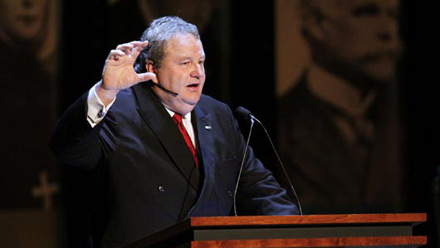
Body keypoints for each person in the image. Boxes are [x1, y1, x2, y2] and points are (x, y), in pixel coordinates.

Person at [51, 16, 299, 248]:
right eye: (185, 63)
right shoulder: (118, 110)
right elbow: (69, 150)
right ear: (152, 67)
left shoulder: (218, 114)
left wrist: (297, 234)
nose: (197, 72)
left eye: (200, 62)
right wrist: (105, 92)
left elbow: (262, 190)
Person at [278, 0, 404, 213]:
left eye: (393, 15)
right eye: (367, 12)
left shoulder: (403, 121)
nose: (389, 31)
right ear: (318, 23)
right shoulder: (277, 125)